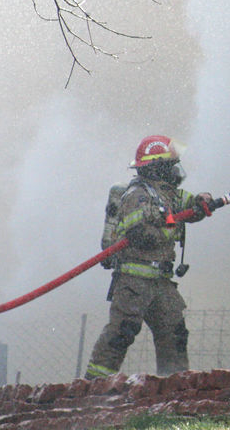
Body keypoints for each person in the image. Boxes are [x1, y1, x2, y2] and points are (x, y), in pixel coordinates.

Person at [85, 135, 214, 379]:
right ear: (158, 167)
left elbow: (189, 204)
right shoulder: (138, 196)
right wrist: (172, 228)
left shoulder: (166, 193)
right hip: (134, 282)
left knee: (174, 334)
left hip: (161, 282)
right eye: (171, 164)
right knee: (122, 333)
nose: (175, 169)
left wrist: (202, 200)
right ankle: (93, 387)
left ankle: (172, 387)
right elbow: (139, 234)